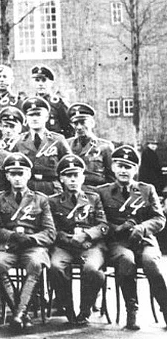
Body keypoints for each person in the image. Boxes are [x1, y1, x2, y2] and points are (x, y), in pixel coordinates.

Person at [97, 144, 167, 330]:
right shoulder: (103, 192)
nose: (123, 170)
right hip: (118, 243)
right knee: (126, 261)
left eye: (128, 166)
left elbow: (159, 218)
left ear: (135, 170)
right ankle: (131, 310)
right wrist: (118, 228)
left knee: (151, 262)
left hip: (145, 241)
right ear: (112, 167)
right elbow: (98, 220)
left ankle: (166, 309)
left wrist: (142, 228)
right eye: (119, 165)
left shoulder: (147, 189)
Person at [0, 152, 55, 331]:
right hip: (8, 245)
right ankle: (21, 313)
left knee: (35, 264)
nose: (17, 178)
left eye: (21, 173)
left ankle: (18, 315)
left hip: (32, 246)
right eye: (13, 174)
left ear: (29, 175)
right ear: (7, 176)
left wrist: (30, 239)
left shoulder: (41, 199)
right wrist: (12, 236)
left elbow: (50, 232)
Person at [46, 154, 108, 326]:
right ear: (61, 179)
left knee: (92, 269)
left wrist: (87, 235)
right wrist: (69, 239)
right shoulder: (53, 201)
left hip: (90, 245)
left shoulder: (93, 198)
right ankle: (68, 309)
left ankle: (85, 309)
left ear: (83, 177)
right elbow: (51, 229)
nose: (73, 180)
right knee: (56, 267)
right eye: (68, 176)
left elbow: (103, 225)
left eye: (76, 175)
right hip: (64, 246)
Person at [12, 96, 70, 195]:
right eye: (31, 115)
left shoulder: (58, 140)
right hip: (28, 187)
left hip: (52, 187)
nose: (34, 119)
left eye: (38, 115)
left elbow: (68, 167)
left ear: (46, 117)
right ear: (26, 118)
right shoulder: (18, 141)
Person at [65, 103, 113, 188]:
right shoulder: (67, 145)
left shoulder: (105, 146)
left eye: (83, 122)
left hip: (96, 191)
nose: (79, 127)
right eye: (76, 123)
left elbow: (111, 178)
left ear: (92, 123)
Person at [29, 66, 72, 137]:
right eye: (37, 80)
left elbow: (69, 129)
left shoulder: (58, 104)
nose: (40, 84)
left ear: (51, 83)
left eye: (44, 80)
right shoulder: (29, 104)